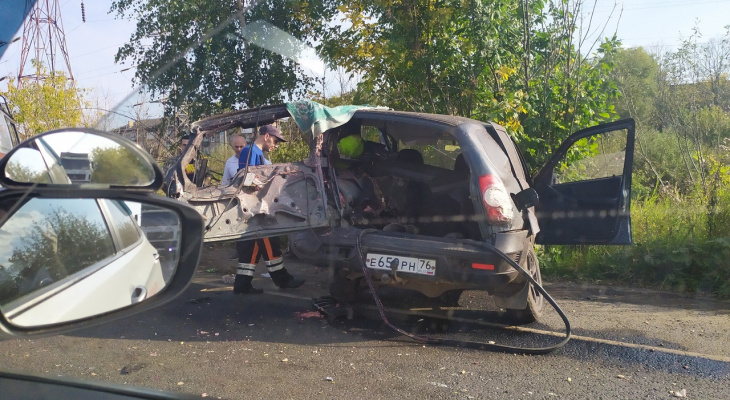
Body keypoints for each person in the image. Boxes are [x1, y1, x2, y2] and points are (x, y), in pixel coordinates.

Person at [233, 124, 305, 294]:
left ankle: (242, 285)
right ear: (266, 136)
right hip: (256, 208)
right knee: (270, 242)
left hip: (260, 207)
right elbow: (245, 178)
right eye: (275, 140)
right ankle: (282, 279)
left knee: (251, 247)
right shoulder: (249, 152)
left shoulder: (258, 154)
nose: (276, 145)